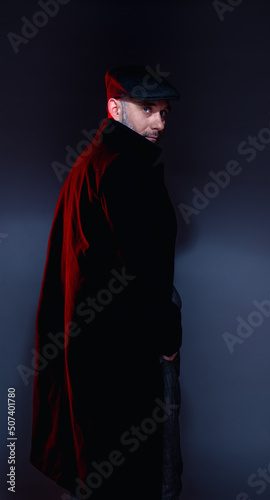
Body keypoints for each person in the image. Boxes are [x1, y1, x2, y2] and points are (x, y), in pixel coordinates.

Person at [30, 65, 183, 500]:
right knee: (146, 473)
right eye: (147, 109)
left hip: (96, 347)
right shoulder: (124, 168)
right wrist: (167, 334)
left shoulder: (91, 161)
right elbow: (142, 269)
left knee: (105, 466)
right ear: (114, 107)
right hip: (128, 346)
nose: (159, 122)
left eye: (164, 111)